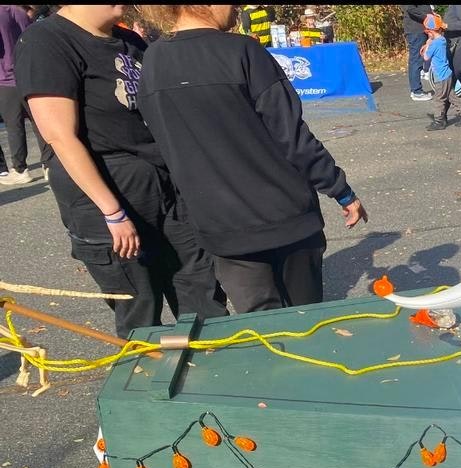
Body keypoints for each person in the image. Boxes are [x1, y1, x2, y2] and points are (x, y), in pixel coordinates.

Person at [137, 5, 367, 315]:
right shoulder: (242, 51)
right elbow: (293, 136)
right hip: (285, 217)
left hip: (221, 226)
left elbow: (165, 142)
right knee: (306, 320)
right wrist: (341, 190)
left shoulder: (152, 61)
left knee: (263, 328)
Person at [14, 4, 227, 338]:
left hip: (165, 186)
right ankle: (147, 381)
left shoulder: (129, 40)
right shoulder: (47, 40)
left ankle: (215, 372)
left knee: (202, 290)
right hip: (107, 193)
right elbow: (59, 135)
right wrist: (112, 212)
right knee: (140, 310)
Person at [0, 4, 43, 186]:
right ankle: (49, 164)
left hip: (5, 77)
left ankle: (20, 169)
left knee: (14, 125)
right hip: (28, 73)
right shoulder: (20, 12)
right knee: (38, 122)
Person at [422, 13, 461, 130]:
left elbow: (426, 57)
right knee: (450, 95)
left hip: (440, 75)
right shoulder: (442, 40)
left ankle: (439, 121)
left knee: (439, 98)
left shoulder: (434, 43)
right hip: (447, 74)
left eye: (427, 32)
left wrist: (427, 44)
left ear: (430, 32)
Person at [401, 4, 433, 101]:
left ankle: (415, 90)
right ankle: (416, 91)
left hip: (420, 29)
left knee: (417, 59)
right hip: (416, 30)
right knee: (416, 60)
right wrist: (427, 16)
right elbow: (411, 9)